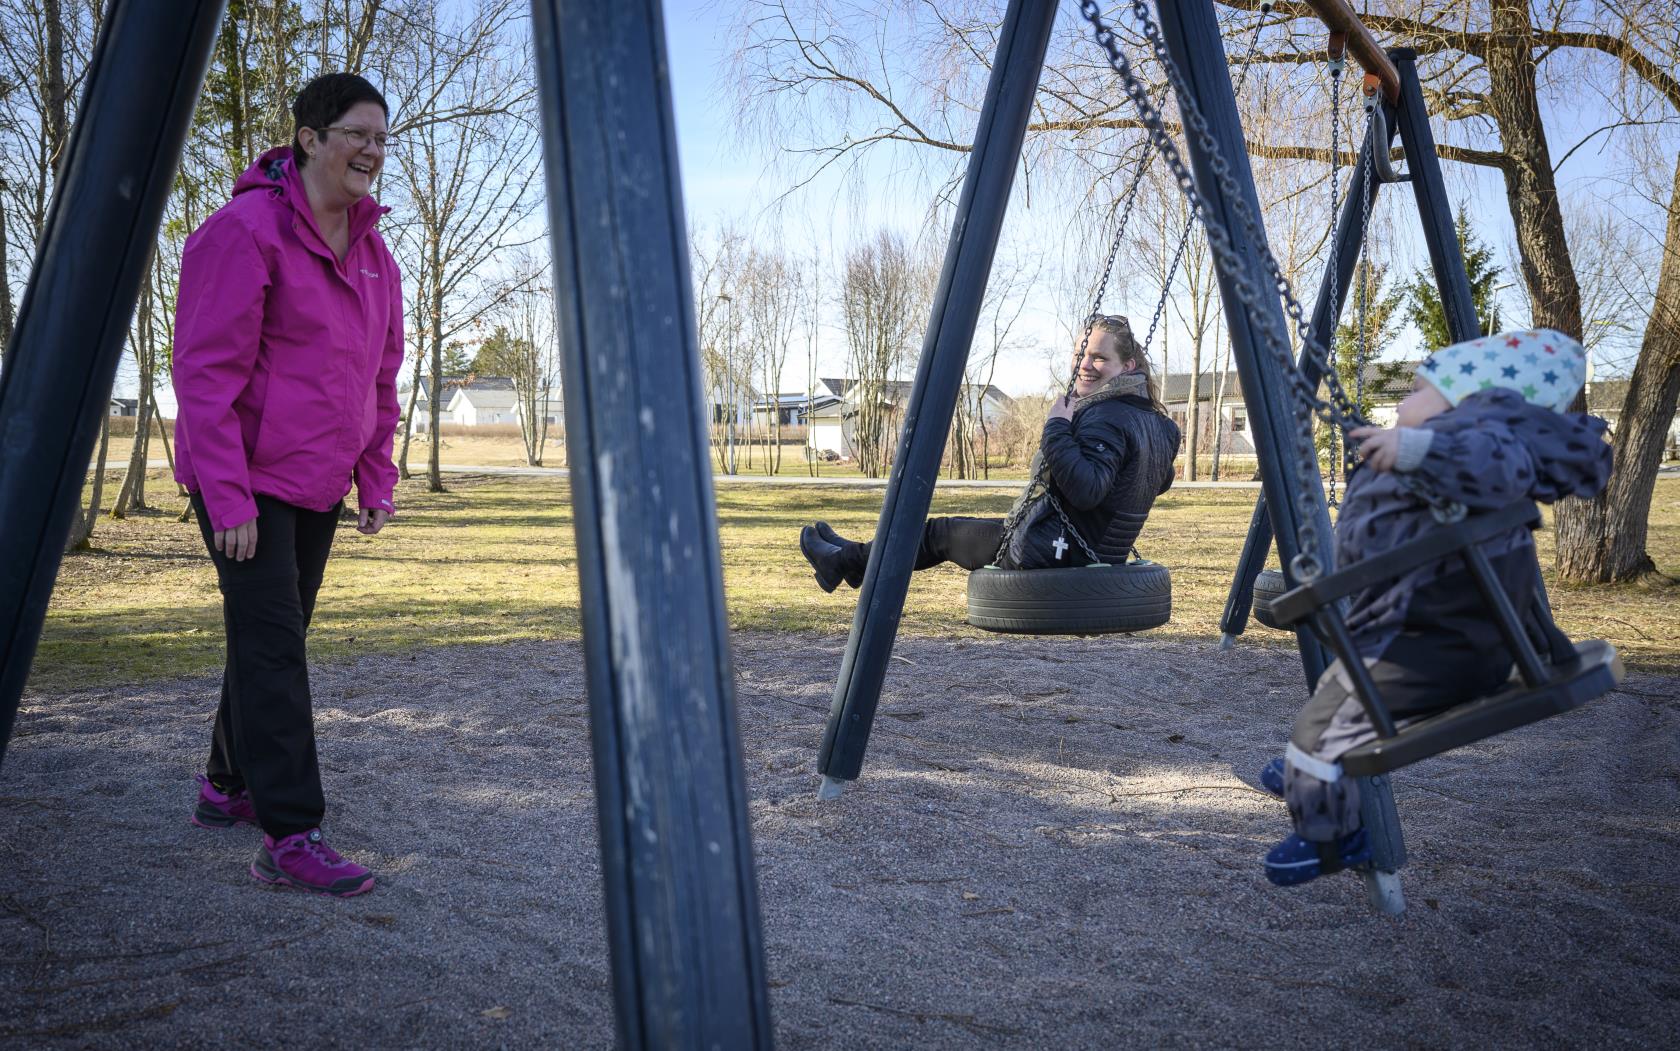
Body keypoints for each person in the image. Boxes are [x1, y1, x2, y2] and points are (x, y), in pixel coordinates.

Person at [1260, 328, 1613, 886]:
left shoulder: (1482, 432)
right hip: (1441, 634)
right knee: (1331, 704)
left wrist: (1418, 447)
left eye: (1418, 389)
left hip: (1431, 644)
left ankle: (1331, 839)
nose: (1403, 403)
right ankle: (1314, 770)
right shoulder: (1466, 439)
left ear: (1465, 396)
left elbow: (1496, 461)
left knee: (1320, 724)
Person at [172, 73, 404, 897]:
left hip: (317, 482)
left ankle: (225, 784)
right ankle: (290, 832)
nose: (373, 152)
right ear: (309, 137)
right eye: (357, 135)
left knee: (272, 637)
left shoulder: (377, 257)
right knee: (274, 647)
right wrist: (228, 499)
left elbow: (381, 378)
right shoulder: (244, 232)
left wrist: (375, 475)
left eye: (382, 138)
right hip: (244, 477)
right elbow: (204, 373)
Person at [799, 314, 1180, 588]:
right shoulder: (1158, 423)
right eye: (1082, 353)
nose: (1085, 365)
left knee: (937, 534)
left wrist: (1057, 427)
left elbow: (1088, 489)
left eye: (1099, 357)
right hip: (1092, 551)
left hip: (1056, 554)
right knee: (942, 533)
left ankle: (846, 563)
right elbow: (1157, 480)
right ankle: (848, 560)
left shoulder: (1104, 415)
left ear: (1127, 365)